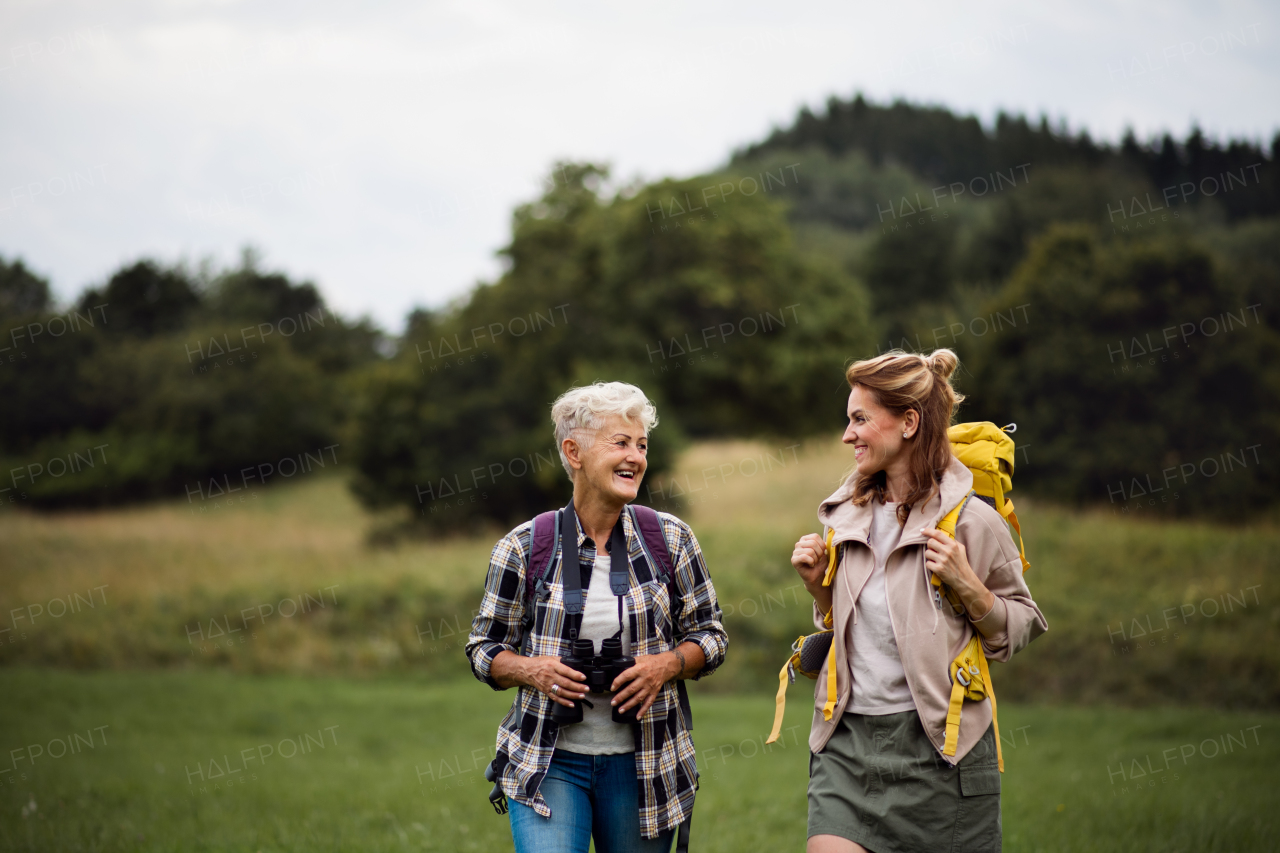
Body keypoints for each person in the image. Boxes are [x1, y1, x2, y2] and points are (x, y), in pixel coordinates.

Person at [790, 349, 1047, 853]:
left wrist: (969, 585)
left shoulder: (971, 522)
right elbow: (849, 626)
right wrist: (819, 586)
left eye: (860, 419)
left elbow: (1023, 624)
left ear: (909, 422)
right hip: (847, 743)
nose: (848, 435)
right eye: (848, 420)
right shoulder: (844, 517)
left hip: (941, 751)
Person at [466, 381, 727, 853]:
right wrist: (533, 670)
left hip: (644, 763)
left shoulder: (671, 539)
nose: (636, 457)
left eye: (642, 445)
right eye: (621, 442)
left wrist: (666, 665)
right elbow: (483, 651)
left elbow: (711, 636)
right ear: (574, 452)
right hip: (548, 758)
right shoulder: (523, 547)